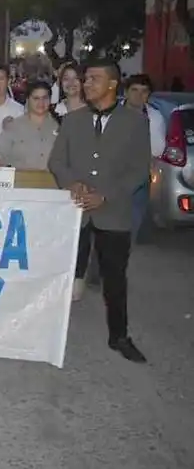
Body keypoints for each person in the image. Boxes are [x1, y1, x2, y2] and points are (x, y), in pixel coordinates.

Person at [48, 58, 150, 363]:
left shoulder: (135, 122)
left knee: (114, 279)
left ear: (112, 84)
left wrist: (106, 195)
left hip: (113, 213)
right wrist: (72, 184)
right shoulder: (73, 120)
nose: (86, 83)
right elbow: (57, 162)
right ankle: (49, 331)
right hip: (75, 210)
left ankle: (119, 336)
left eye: (94, 78)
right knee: (62, 271)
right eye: (86, 78)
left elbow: (139, 170)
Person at [123, 74, 166, 242]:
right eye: (134, 90)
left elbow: (158, 149)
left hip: (138, 179)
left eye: (144, 91)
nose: (139, 95)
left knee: (132, 224)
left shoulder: (154, 117)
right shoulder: (111, 114)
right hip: (109, 176)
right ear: (126, 92)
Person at [0, 81, 58, 170]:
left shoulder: (60, 125)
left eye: (45, 98)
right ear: (28, 100)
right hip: (21, 177)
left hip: (51, 178)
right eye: (36, 98)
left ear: (50, 99)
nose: (41, 102)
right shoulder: (14, 126)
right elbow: (0, 152)